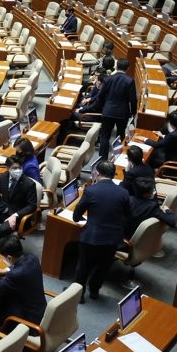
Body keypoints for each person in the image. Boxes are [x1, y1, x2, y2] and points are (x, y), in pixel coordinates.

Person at [73, 160, 131, 302]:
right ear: (113, 174)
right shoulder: (123, 192)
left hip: (91, 237)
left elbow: (76, 215)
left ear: (97, 174)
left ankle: (79, 295)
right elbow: (128, 214)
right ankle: (94, 291)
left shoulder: (91, 190)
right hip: (112, 239)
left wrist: (82, 218)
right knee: (103, 267)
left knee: (83, 266)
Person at [0, 235, 47, 325]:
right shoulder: (33, 258)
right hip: (41, 310)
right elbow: (20, 266)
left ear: (9, 258)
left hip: (29, 320)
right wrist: (6, 270)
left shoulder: (14, 275)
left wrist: (9, 273)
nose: (3, 259)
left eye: (3, 257)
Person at [87, 58, 137, 159]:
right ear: (128, 68)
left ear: (116, 66)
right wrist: (133, 112)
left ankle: (102, 159)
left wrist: (100, 108)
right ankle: (118, 157)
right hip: (122, 113)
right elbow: (133, 100)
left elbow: (101, 96)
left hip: (108, 111)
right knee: (120, 135)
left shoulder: (109, 78)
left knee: (105, 135)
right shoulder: (130, 81)